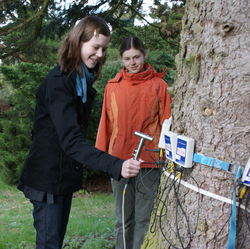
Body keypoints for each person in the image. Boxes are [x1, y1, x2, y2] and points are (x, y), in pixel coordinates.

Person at [17, 16, 141, 249]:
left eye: (104, 49)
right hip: (47, 179)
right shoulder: (59, 82)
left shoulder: (80, 82)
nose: (101, 54)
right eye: (95, 47)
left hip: (63, 177)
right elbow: (72, 141)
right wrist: (116, 165)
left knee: (55, 243)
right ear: (77, 43)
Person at [95, 36, 172, 249]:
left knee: (145, 220)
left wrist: (168, 156)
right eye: (127, 58)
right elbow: (106, 123)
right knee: (123, 220)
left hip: (150, 162)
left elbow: (168, 124)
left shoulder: (159, 85)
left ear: (144, 55)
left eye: (136, 57)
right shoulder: (112, 87)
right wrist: (102, 159)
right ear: (121, 59)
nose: (133, 63)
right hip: (119, 162)